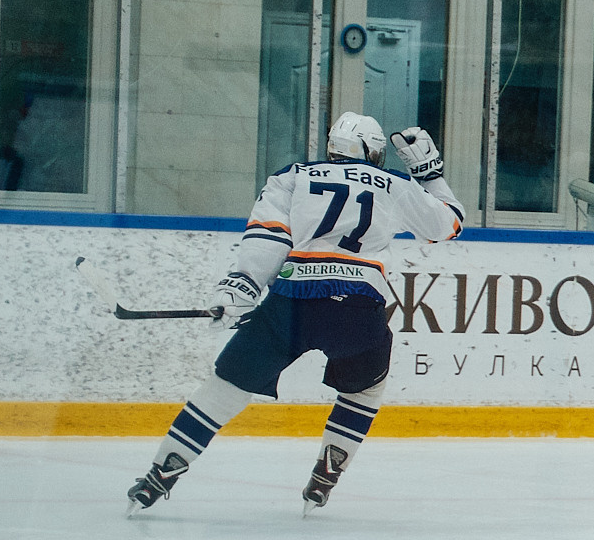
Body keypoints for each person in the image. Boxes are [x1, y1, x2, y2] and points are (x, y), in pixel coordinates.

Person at [125, 113, 464, 516]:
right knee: (364, 390)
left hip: (292, 301)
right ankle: (326, 477)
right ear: (373, 152)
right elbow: (450, 224)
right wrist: (429, 172)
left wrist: (243, 285)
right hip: (358, 307)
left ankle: (161, 473)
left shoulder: (293, 175)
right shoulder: (396, 184)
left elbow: (269, 235)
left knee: (225, 386)